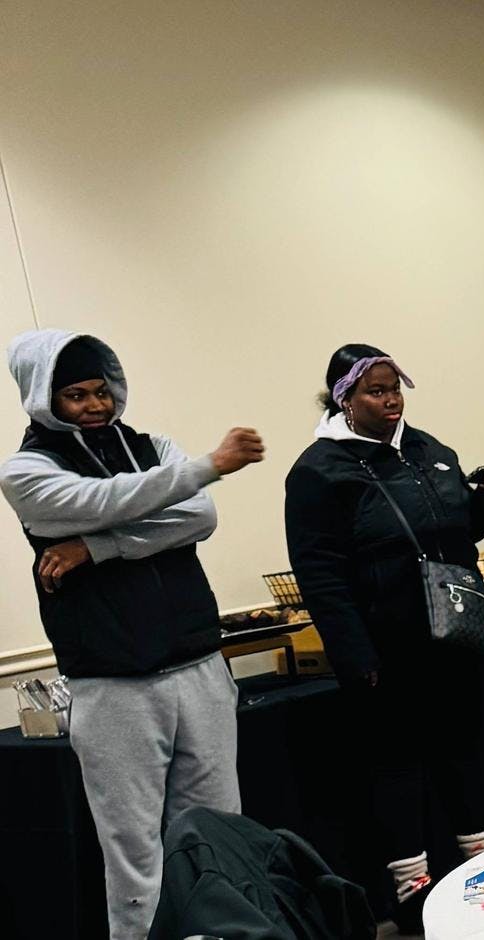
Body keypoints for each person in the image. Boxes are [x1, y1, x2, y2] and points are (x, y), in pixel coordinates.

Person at [0, 331, 262, 939]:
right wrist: (206, 467)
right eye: (74, 395)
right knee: (134, 853)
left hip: (198, 662)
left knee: (217, 832)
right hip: (113, 684)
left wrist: (98, 548)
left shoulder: (152, 444)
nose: (95, 405)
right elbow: (101, 499)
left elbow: (201, 515)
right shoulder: (26, 470)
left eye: (101, 390)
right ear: (42, 398)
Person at [282, 343, 484, 927]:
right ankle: (414, 900)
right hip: (383, 651)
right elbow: (319, 575)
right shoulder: (317, 471)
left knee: (464, 756)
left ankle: (482, 880)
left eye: (395, 388)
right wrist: (354, 653)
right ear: (344, 399)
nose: (391, 400)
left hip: (452, 638)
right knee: (397, 771)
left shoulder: (429, 449)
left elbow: (456, 532)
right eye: (376, 391)